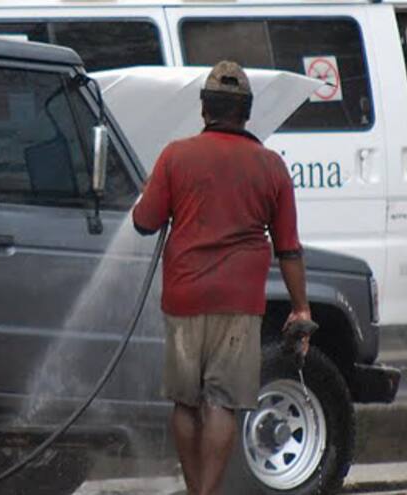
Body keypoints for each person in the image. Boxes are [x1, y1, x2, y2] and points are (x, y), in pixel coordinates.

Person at [132, 61, 313, 495]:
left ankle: (196, 490)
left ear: (203, 109)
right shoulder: (271, 166)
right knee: (222, 403)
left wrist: (151, 188)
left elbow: (144, 222)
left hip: (184, 297)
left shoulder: (175, 156)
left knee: (186, 402)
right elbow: (289, 246)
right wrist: (301, 306)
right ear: (247, 112)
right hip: (239, 302)